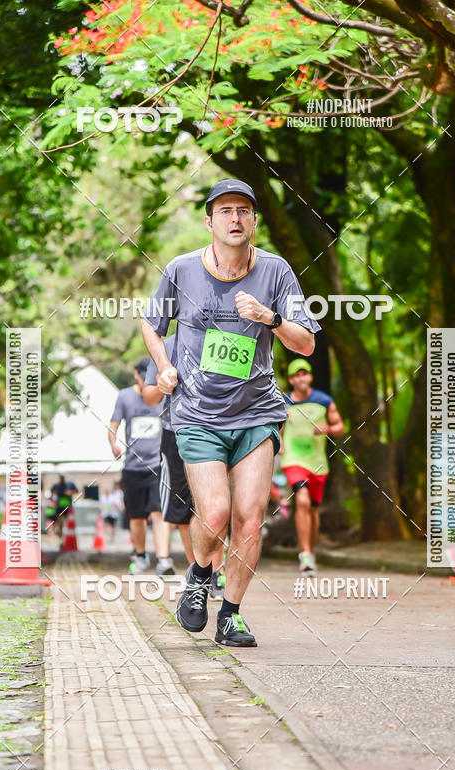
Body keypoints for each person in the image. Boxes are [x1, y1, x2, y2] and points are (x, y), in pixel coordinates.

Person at [141, 178, 319, 647]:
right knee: (215, 512)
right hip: (197, 412)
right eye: (225, 211)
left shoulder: (277, 273)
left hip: (257, 411)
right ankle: (200, 576)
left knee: (248, 515)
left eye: (243, 211)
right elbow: (150, 322)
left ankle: (231, 615)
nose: (235, 219)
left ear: (254, 220)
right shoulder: (181, 270)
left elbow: (308, 342)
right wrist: (164, 366)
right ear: (209, 221)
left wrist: (271, 318)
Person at [142, 334, 227, 599]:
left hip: (218, 430)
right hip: (176, 432)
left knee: (217, 507)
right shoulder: (165, 345)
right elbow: (148, 396)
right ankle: (200, 572)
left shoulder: (220, 337)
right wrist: (164, 382)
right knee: (183, 509)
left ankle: (218, 572)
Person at [108, 358, 175, 576]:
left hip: (158, 464)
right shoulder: (125, 396)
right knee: (136, 516)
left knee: (159, 513)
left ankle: (163, 559)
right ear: (137, 375)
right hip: (133, 467)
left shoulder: (162, 393)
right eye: (145, 377)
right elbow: (114, 423)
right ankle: (140, 555)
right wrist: (113, 443)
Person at [281, 359, 345, 573]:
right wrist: (278, 444)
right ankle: (305, 555)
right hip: (293, 460)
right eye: (296, 375)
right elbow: (277, 428)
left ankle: (311, 551)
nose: (301, 378)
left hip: (317, 464)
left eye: (304, 373)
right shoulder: (284, 403)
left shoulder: (324, 401)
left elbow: (340, 427)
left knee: (314, 510)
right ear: (291, 380)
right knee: (302, 500)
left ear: (310, 377)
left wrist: (328, 427)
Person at [51, 474, 77, 538]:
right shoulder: (56, 486)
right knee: (60, 522)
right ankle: (60, 534)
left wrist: (70, 492)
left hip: (68, 507)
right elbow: (52, 493)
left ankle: (63, 534)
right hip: (59, 507)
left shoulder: (70, 485)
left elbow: (77, 491)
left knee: (67, 522)